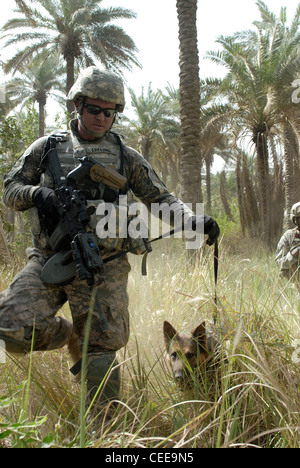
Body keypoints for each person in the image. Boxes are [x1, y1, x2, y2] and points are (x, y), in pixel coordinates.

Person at [0, 67, 219, 415]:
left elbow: (160, 199)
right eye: (94, 109)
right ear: (77, 105)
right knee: (11, 326)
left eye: (110, 111)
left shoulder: (125, 156)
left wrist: (193, 221)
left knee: (101, 353)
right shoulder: (46, 148)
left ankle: (106, 432)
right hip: (50, 259)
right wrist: (40, 194)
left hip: (104, 265)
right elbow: (9, 191)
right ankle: (73, 336)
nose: (102, 118)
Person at [275, 202, 300, 280]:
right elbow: (279, 263)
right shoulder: (289, 236)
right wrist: (293, 254)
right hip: (293, 283)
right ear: (295, 220)